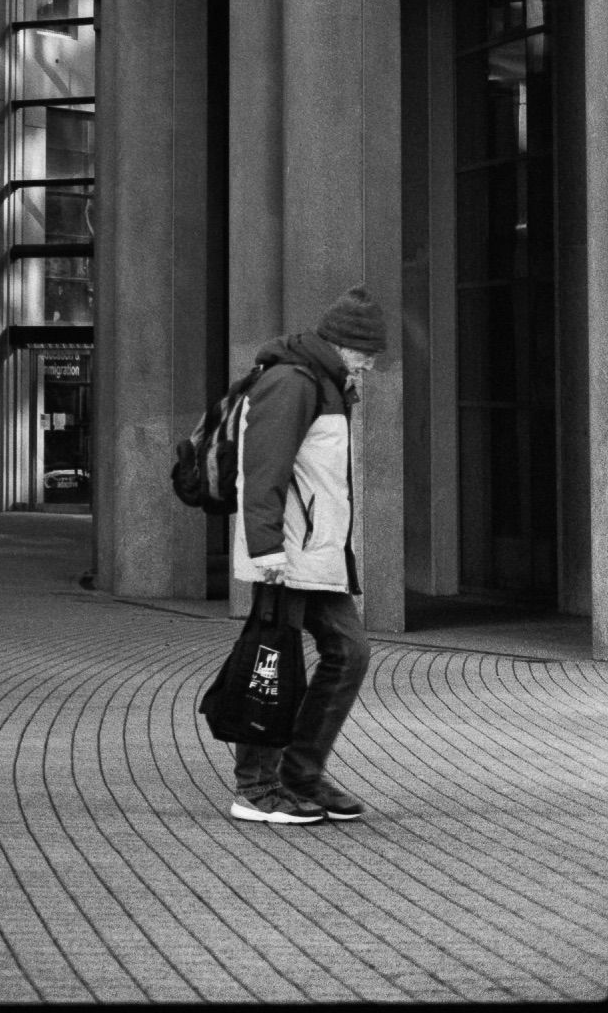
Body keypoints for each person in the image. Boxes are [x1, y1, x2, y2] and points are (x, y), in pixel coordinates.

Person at [228, 285, 388, 825]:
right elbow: (263, 469)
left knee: (350, 652)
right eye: (366, 355)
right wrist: (266, 547)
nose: (369, 366)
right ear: (344, 345)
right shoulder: (292, 382)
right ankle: (254, 786)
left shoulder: (327, 383)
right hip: (284, 555)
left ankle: (301, 773)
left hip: (314, 555)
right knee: (271, 664)